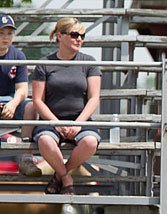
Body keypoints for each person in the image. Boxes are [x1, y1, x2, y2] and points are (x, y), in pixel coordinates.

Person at [31, 17, 101, 194]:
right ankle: (66, 178)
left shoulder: (89, 62)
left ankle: (58, 176)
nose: (80, 39)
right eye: (75, 34)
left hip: (81, 121)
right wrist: (56, 123)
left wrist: (78, 124)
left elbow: (94, 98)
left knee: (91, 142)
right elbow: (38, 100)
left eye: (83, 36)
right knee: (45, 140)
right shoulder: (44, 64)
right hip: (51, 122)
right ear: (59, 36)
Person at [0, 14, 37, 163]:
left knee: (31, 106)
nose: (6, 37)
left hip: (10, 101)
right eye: (1, 33)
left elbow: (22, 89)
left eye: (10, 33)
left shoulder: (18, 55)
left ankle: (26, 157)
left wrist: (13, 104)